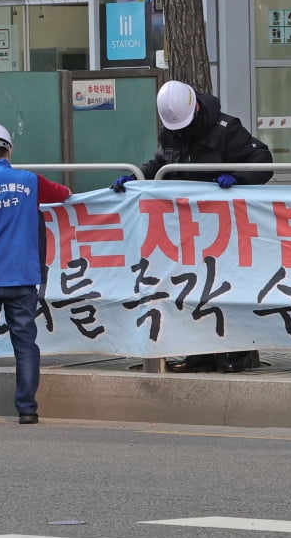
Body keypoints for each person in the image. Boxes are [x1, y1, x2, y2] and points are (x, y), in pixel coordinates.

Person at [111, 79, 274, 373]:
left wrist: (237, 179)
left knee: (225, 290)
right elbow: (162, 164)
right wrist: (137, 177)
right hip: (184, 230)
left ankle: (235, 355)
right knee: (188, 290)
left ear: (196, 109)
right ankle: (198, 356)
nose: (181, 132)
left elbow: (262, 160)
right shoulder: (172, 132)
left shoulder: (227, 129)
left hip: (223, 228)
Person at [0, 123, 72, 425]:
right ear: (9, 150)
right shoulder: (30, 181)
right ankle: (27, 409)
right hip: (23, 278)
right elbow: (63, 193)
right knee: (25, 344)